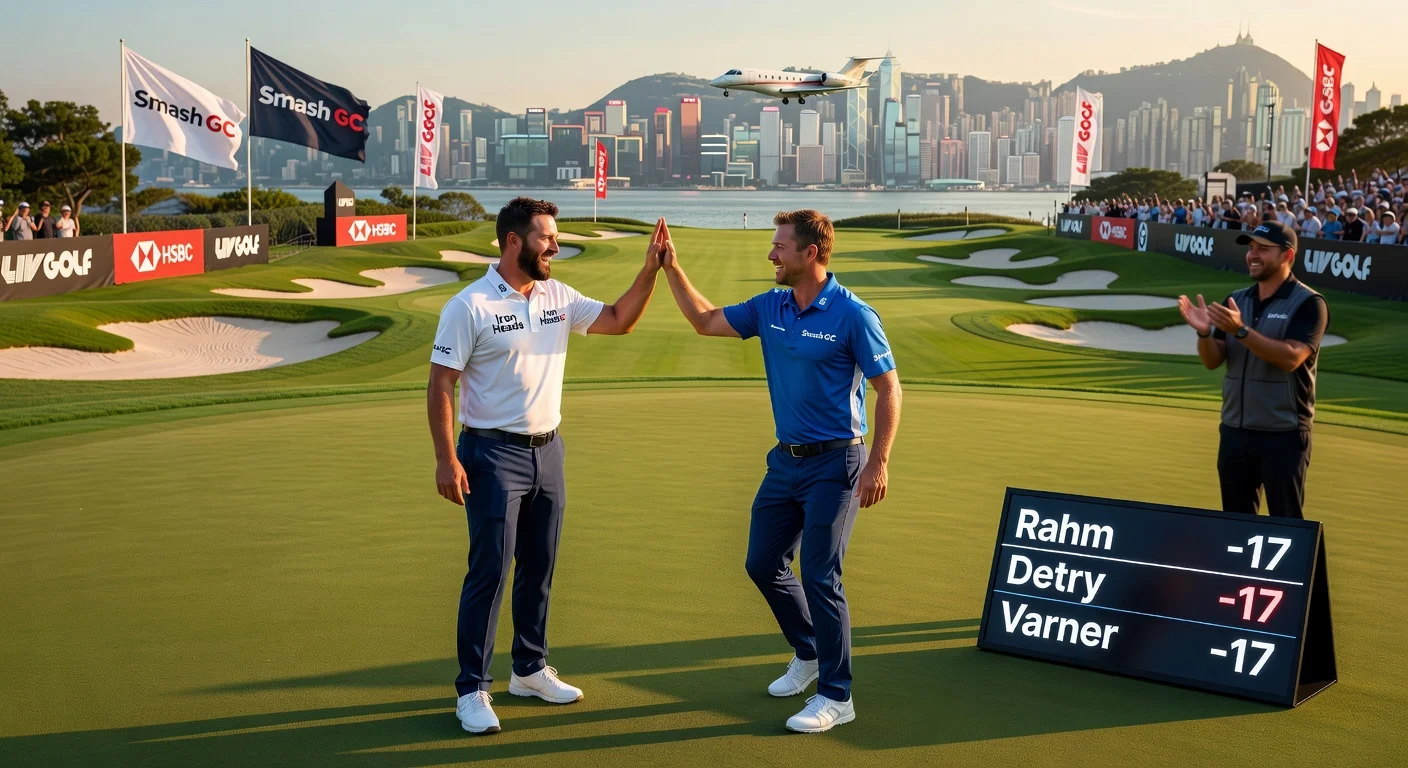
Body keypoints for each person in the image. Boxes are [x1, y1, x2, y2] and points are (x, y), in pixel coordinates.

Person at [427, 197, 666, 735]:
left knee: (539, 566)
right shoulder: (469, 306)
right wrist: (446, 459)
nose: (554, 246)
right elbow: (442, 383)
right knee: (489, 571)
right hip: (490, 454)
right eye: (545, 238)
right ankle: (472, 689)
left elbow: (618, 320)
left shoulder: (557, 295)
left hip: (548, 451)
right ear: (513, 241)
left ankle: (529, 669)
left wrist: (649, 269)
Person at [658, 209, 901, 734]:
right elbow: (704, 321)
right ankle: (809, 651)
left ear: (810, 253)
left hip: (838, 462)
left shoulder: (854, 315)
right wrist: (671, 269)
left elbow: (889, 389)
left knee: (819, 573)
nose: (771, 254)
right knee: (762, 561)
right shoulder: (769, 307)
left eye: (780, 247)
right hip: (785, 461)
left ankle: (837, 695)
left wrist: (878, 462)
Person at [1178, 221, 1328, 519]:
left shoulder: (1309, 303)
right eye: (1250, 248)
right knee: (1235, 525)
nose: (1252, 255)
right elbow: (1212, 361)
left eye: (1263, 249)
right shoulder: (1238, 300)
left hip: (1283, 434)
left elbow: (1291, 358)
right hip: (1235, 431)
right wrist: (1205, 334)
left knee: (1286, 526)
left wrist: (1241, 330)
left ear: (1287, 256)